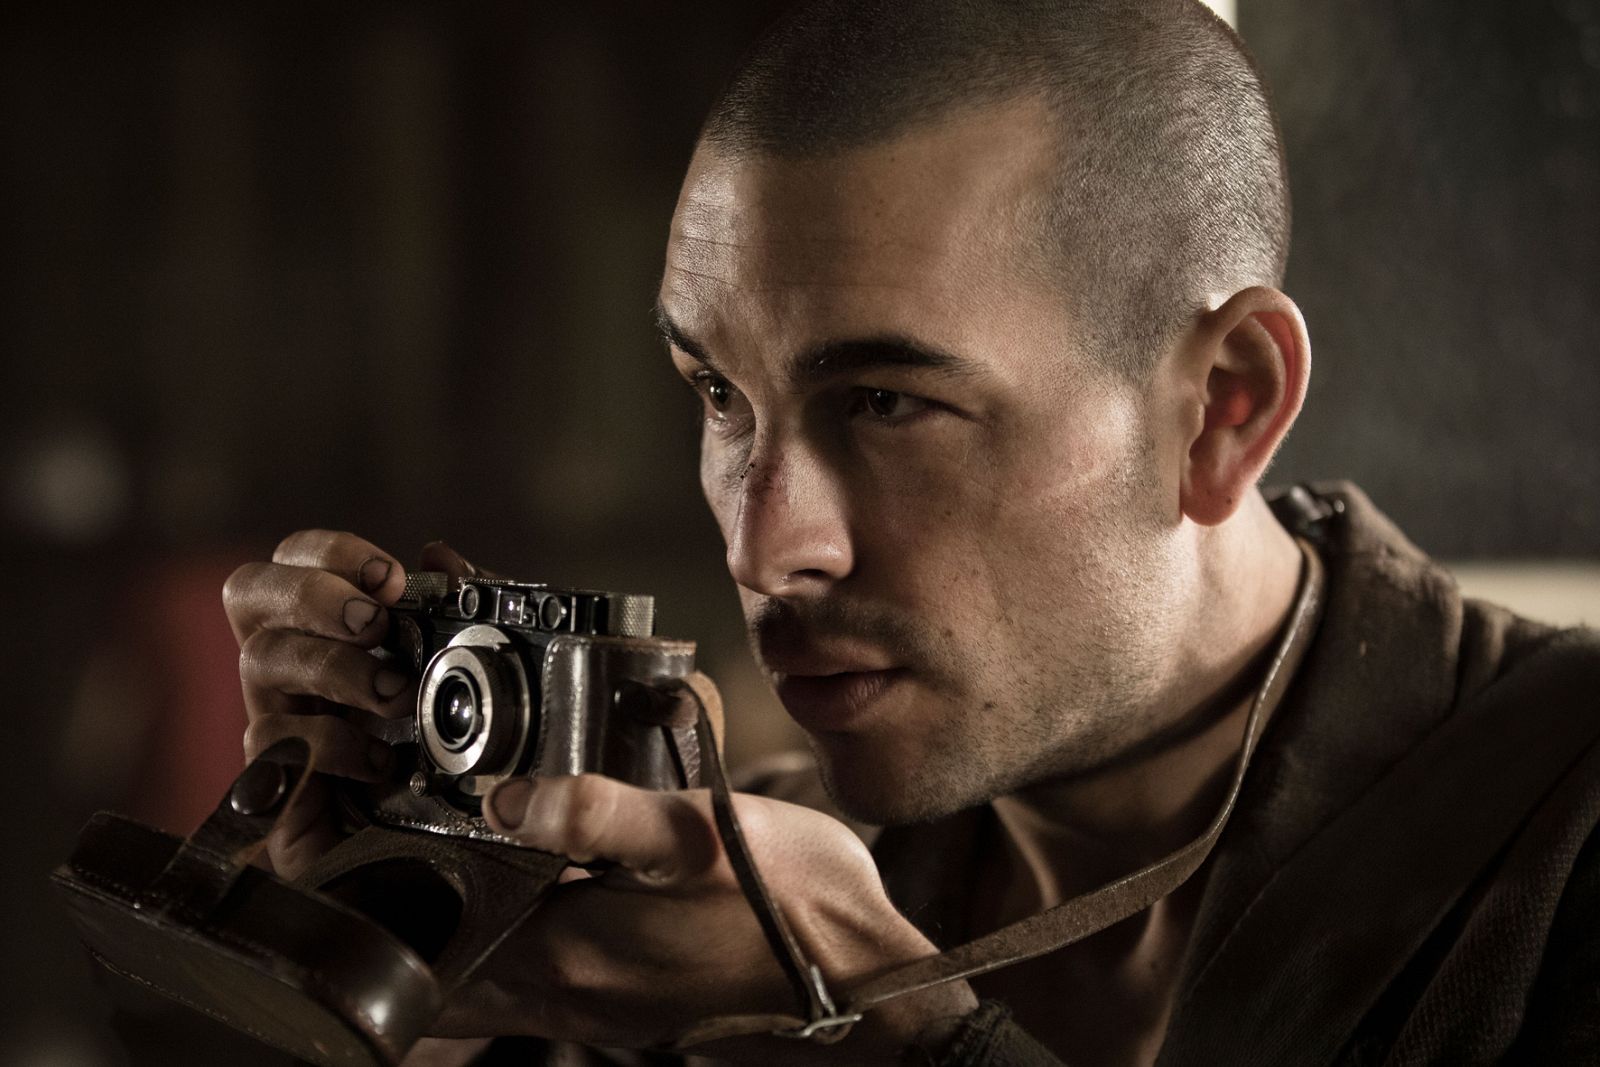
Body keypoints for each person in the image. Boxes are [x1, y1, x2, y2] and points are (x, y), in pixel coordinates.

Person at [222, 0, 1600, 1063]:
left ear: (1221, 410)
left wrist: (898, 1034)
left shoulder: (1560, 839)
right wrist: (389, 953)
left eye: (885, 401)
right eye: (719, 395)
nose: (768, 550)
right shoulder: (740, 896)